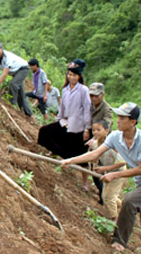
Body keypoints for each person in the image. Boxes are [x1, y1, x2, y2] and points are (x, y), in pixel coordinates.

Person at [61, 102, 141, 254]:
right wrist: (70, 160)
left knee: (130, 201)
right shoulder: (115, 137)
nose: (117, 120)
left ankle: (119, 241)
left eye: (122, 118)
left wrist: (114, 174)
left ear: (133, 122)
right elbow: (94, 154)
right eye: (118, 117)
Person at [37, 59, 91, 190]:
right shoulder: (65, 90)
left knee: (82, 155)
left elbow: (87, 108)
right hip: (66, 122)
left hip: (79, 125)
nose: (71, 77)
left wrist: (87, 128)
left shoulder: (83, 90)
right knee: (45, 131)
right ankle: (60, 155)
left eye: (74, 75)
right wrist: (58, 119)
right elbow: (62, 107)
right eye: (69, 74)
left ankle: (85, 182)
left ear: (79, 76)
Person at [0, 40, 33, 117]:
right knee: (21, 94)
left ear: (1, 49)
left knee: (13, 84)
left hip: (23, 69)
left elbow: (4, 75)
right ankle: (29, 114)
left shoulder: (8, 57)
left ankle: (12, 104)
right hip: (14, 72)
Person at [89, 119, 126, 220]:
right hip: (108, 172)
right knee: (108, 195)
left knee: (108, 198)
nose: (95, 132)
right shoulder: (96, 144)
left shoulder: (113, 145)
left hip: (119, 173)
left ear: (106, 131)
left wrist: (105, 168)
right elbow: (94, 157)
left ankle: (113, 221)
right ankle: (125, 206)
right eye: (93, 130)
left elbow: (123, 162)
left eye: (99, 130)